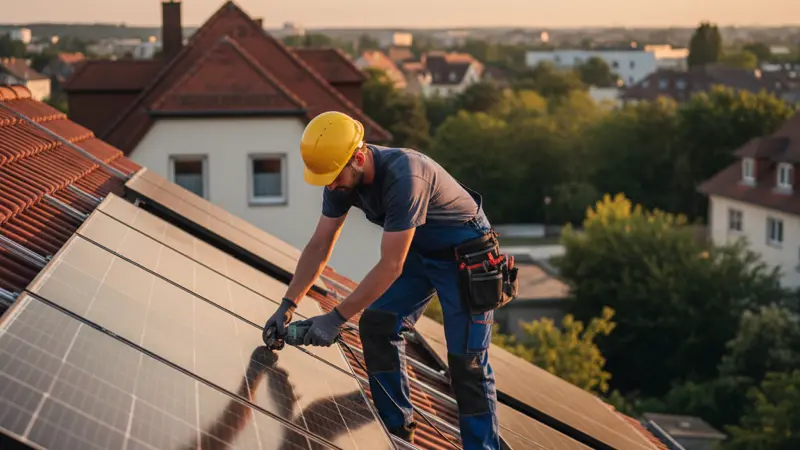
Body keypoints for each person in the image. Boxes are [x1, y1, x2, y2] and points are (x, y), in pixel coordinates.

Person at [263, 111, 515, 450]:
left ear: (358, 158)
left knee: (466, 363)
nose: (331, 186)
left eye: (334, 177)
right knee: (377, 325)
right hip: (421, 252)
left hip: (466, 258)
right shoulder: (340, 180)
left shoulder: (405, 176)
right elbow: (320, 245)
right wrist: (287, 304)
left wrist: (336, 318)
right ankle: (397, 427)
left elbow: (392, 265)